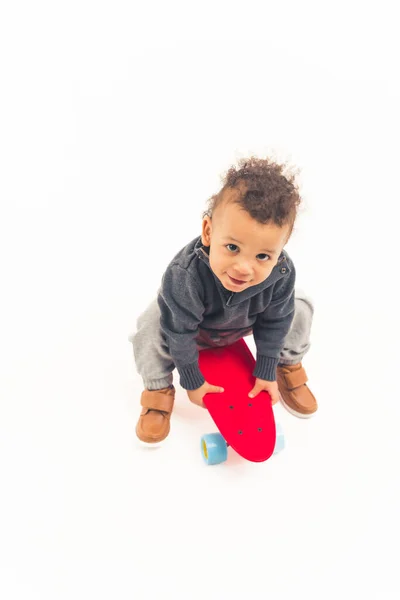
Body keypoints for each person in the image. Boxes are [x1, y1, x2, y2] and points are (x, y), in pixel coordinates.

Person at [129, 156, 317, 443]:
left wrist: (265, 368)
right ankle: (157, 389)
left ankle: (286, 364)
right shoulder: (185, 274)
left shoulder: (281, 272)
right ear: (208, 231)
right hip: (194, 330)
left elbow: (276, 321)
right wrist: (192, 380)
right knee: (152, 321)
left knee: (299, 305)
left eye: (263, 256)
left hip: (244, 324)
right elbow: (179, 332)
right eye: (232, 247)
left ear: (280, 249)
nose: (244, 267)